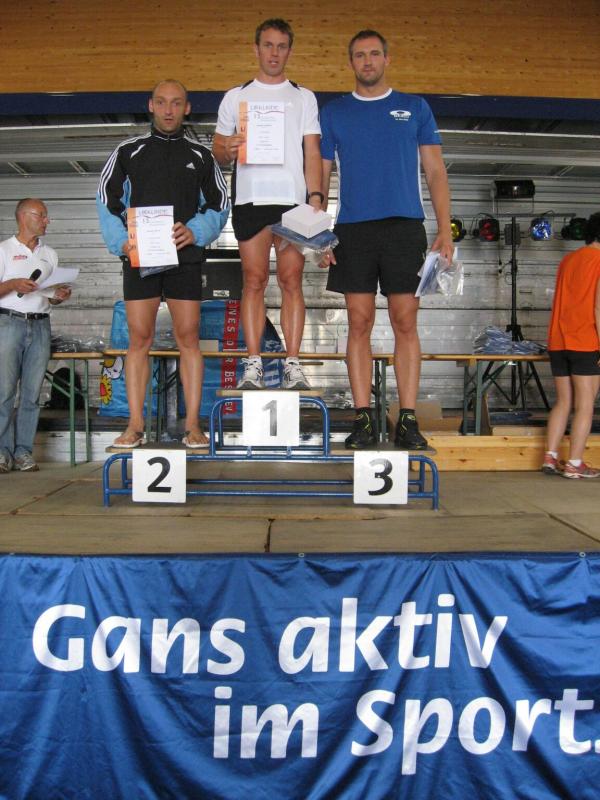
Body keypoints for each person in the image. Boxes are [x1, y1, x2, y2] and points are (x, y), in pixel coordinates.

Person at [319, 30, 453, 449]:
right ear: (351, 62)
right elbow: (320, 175)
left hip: (404, 227)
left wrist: (444, 229)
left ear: (387, 59)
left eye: (374, 54)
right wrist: (319, 233)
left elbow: (435, 171)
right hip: (353, 230)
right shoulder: (334, 112)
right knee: (358, 321)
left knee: (405, 321)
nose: (368, 61)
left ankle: (407, 419)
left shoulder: (415, 108)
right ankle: (362, 419)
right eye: (360, 55)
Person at [97, 79, 229, 448]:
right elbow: (106, 200)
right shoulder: (127, 152)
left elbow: (220, 204)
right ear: (150, 105)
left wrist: (196, 230)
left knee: (189, 338)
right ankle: (135, 426)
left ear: (187, 108)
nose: (169, 110)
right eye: (162, 102)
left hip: (185, 257)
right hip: (140, 256)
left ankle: (193, 427)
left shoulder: (201, 156)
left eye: (176, 103)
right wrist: (121, 241)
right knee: (139, 338)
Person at [212, 18, 322, 390]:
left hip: (292, 201)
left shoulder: (304, 97)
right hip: (251, 199)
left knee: (292, 281)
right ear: (256, 49)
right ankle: (254, 364)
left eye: (281, 46)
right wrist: (227, 149)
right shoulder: (235, 96)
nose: (274, 53)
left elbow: (312, 150)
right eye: (268, 45)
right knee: (254, 281)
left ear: (289, 51)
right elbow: (218, 150)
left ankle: (293, 364)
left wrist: (316, 198)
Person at [0, 199, 71, 472]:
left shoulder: (49, 254)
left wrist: (58, 296)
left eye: (46, 216)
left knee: (31, 394)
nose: (46, 220)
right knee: (4, 392)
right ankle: (3, 452)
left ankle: (23, 452)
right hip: (9, 323)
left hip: (41, 325)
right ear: (23, 216)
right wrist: (13, 284)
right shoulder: (4, 250)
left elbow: (49, 295)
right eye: (41, 215)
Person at [542, 213, 600, 479]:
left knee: (563, 401)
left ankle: (550, 457)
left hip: (558, 339)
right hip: (586, 340)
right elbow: (598, 307)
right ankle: (575, 463)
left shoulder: (568, 259)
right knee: (585, 404)